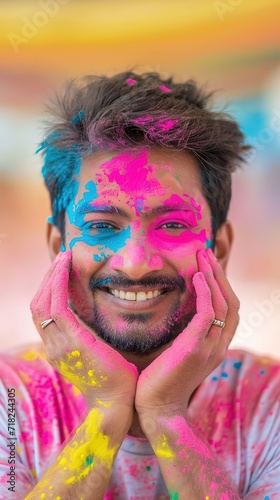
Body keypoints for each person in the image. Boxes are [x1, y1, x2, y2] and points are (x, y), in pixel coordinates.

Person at [0, 72, 279, 500]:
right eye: (101, 226)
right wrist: (106, 413)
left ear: (219, 249)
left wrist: (167, 417)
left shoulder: (270, 402)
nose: (134, 265)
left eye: (171, 224)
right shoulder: (9, 399)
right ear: (58, 246)